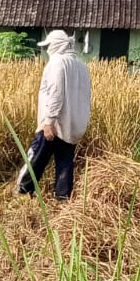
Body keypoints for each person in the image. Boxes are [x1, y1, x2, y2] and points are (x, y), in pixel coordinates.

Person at [16, 29, 91, 201]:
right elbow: (87, 97)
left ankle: (23, 192)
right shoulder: (81, 65)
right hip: (73, 125)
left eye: (49, 45)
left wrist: (48, 122)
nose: (48, 49)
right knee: (65, 162)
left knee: (36, 158)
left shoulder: (57, 63)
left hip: (54, 123)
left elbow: (56, 93)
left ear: (56, 45)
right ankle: (62, 198)